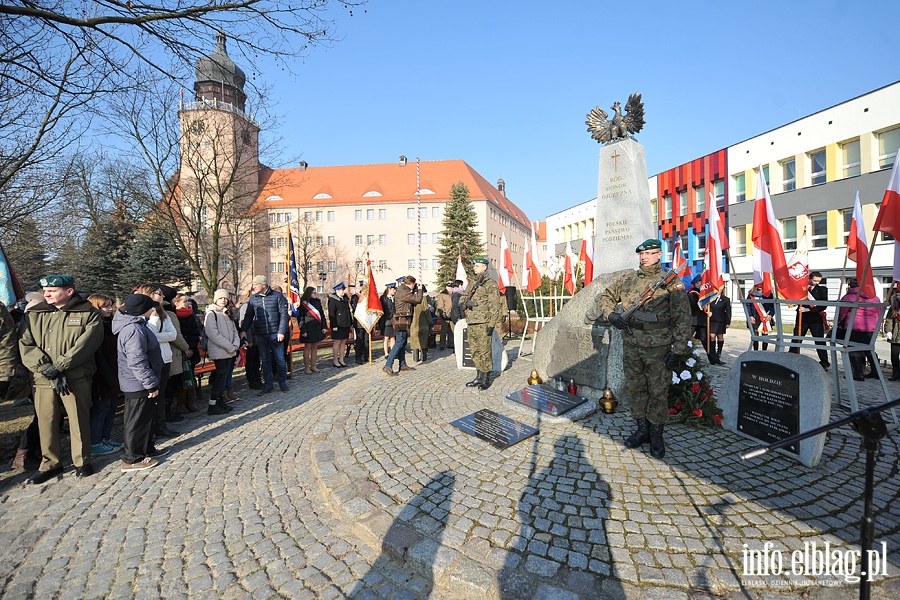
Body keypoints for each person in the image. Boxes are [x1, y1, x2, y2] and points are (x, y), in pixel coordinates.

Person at [585, 239, 691, 459]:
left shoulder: (671, 284)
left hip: (659, 347)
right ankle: (642, 429)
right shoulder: (628, 280)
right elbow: (606, 296)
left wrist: (678, 349)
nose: (644, 257)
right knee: (636, 389)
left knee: (658, 391)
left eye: (650, 253)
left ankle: (656, 434)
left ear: (659, 255)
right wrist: (611, 314)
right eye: (642, 254)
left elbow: (683, 317)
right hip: (632, 344)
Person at [18, 274, 103, 484]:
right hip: (42, 378)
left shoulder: (87, 313)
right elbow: (25, 344)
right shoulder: (33, 315)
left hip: (75, 377)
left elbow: (87, 344)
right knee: (46, 422)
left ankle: (82, 461)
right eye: (45, 291)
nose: (46, 294)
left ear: (69, 291)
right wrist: (45, 367)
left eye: (52, 291)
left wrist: (60, 366)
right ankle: (50, 463)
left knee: (78, 420)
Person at [112, 293, 165, 472]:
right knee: (137, 421)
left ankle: (146, 448)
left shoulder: (137, 325)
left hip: (141, 381)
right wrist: (150, 383)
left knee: (145, 418)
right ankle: (132, 458)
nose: (154, 309)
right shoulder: (133, 330)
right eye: (152, 307)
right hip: (137, 383)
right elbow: (136, 360)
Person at [135, 284, 180, 439]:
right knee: (154, 395)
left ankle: (161, 425)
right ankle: (152, 427)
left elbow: (172, 334)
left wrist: (156, 337)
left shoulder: (163, 313)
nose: (162, 296)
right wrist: (154, 321)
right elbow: (149, 335)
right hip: (152, 360)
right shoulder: (145, 315)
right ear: (148, 295)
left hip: (165, 357)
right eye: (159, 294)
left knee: (162, 395)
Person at [240, 275, 290, 394]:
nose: (253, 287)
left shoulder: (277, 296)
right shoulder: (253, 299)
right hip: (260, 334)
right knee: (265, 360)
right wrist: (243, 330)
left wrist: (281, 331)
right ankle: (268, 384)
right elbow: (248, 316)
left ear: (263, 285)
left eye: (255, 285)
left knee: (280, 359)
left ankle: (282, 382)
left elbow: (283, 315)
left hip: (275, 333)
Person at [86, 294, 121, 456]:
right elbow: (98, 355)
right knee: (101, 408)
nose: (110, 309)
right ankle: (95, 442)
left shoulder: (109, 324)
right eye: (105, 306)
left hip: (114, 371)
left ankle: (105, 437)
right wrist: (108, 376)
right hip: (102, 375)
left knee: (111, 407)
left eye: (110, 305)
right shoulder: (95, 326)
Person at [462, 258, 504, 390]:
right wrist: (464, 303)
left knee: (484, 351)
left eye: (477, 266)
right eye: (475, 265)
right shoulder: (473, 283)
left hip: (483, 322)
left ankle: (486, 378)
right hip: (472, 321)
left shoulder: (490, 284)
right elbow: (464, 296)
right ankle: (478, 376)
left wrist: (491, 324)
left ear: (485, 267)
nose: (475, 268)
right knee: (474, 350)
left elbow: (495, 306)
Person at [837, 279, 881, 381]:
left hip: (854, 327)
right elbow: (878, 312)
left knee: (853, 349)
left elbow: (842, 313)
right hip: (871, 327)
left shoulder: (849, 297)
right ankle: (876, 371)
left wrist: (839, 323)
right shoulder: (874, 298)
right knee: (869, 349)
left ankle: (858, 373)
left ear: (850, 287)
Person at [205, 289, 240, 414]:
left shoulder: (227, 313)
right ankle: (213, 403)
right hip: (220, 350)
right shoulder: (211, 314)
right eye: (220, 298)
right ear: (216, 299)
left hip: (229, 350)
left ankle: (220, 402)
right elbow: (213, 334)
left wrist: (236, 344)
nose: (223, 300)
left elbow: (234, 331)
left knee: (223, 376)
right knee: (219, 377)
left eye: (225, 298)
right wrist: (230, 346)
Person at [790, 271, 831, 370]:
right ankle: (791, 357)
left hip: (815, 318)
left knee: (819, 340)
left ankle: (824, 362)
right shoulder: (801, 289)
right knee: (797, 337)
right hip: (802, 318)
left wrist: (809, 309)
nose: (816, 283)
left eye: (818, 281)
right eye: (814, 280)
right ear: (809, 278)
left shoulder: (822, 289)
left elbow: (823, 305)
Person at [384, 276, 422, 376]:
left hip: (403, 319)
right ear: (412, 284)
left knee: (403, 342)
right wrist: (420, 290)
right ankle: (388, 365)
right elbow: (418, 299)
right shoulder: (404, 291)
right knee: (399, 343)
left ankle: (402, 364)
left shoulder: (402, 290)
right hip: (401, 320)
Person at [173, 294, 201, 411]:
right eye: (185, 301)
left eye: (189, 301)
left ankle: (191, 401)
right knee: (180, 378)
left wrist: (191, 347)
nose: (188, 303)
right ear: (177, 303)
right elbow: (176, 335)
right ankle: (181, 403)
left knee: (190, 375)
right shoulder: (173, 316)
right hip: (179, 351)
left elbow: (195, 333)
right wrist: (184, 348)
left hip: (191, 351)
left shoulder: (191, 315)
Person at [237, 288, 263, 390]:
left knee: (257, 360)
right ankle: (252, 381)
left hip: (258, 336)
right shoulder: (246, 305)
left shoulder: (258, 304)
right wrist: (249, 339)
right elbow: (244, 323)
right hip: (250, 337)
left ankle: (258, 379)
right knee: (251, 361)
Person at [296, 287, 326, 373]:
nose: (315, 294)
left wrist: (324, 326)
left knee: (315, 347)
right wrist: (303, 330)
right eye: (313, 293)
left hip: (317, 328)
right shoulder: (303, 304)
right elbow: (300, 318)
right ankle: (306, 367)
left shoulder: (317, 302)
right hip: (308, 328)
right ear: (309, 293)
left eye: (315, 292)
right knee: (307, 347)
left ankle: (313, 365)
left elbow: (322, 315)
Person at [327, 283, 352, 368]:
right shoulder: (333, 299)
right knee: (337, 342)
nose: (343, 292)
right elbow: (332, 313)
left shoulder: (344, 299)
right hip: (337, 324)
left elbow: (348, 312)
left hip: (345, 323)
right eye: (341, 290)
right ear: (337, 290)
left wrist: (350, 323)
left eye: (343, 290)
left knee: (344, 342)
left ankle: (341, 359)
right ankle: (335, 360)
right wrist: (333, 325)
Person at [745, 284, 775, 351]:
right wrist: (750, 316)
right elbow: (747, 305)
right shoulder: (751, 295)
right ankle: (756, 351)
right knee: (755, 336)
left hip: (765, 317)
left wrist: (770, 315)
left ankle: (764, 352)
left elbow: (773, 306)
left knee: (765, 336)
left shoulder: (769, 294)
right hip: (755, 316)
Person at [708, 289, 732, 365]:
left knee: (720, 336)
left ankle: (719, 352)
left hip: (721, 320)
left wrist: (728, 322)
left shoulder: (725, 299)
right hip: (712, 320)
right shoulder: (710, 298)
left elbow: (728, 311)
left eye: (719, 290)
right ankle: (713, 352)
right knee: (712, 336)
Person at [409, 284, 432, 363]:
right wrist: (430, 321)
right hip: (423, 322)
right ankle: (424, 357)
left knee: (414, 340)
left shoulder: (410, 298)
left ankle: (415, 357)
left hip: (413, 323)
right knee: (423, 339)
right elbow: (426, 311)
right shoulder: (423, 299)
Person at [687, 275, 709, 355]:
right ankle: (684, 355)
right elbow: (694, 306)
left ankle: (714, 359)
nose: (702, 284)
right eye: (701, 282)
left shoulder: (702, 293)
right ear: (696, 283)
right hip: (693, 320)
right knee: (687, 338)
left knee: (706, 340)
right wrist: (704, 305)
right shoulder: (692, 293)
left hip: (701, 320)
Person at [349, 282, 370, 364]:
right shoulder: (355, 297)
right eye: (363, 286)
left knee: (366, 340)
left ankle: (366, 356)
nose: (364, 288)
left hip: (367, 321)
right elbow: (355, 307)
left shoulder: (368, 297)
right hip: (359, 321)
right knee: (359, 340)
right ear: (360, 287)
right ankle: (358, 357)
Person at [885, 288, 900, 381]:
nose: (898, 297)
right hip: (895, 334)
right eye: (897, 295)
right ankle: (896, 373)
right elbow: (889, 319)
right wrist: (889, 331)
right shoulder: (894, 306)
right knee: (894, 356)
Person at [379, 283, 397, 358]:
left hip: (393, 320)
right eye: (393, 289)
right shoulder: (383, 298)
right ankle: (386, 353)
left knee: (393, 336)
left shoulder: (393, 298)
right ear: (389, 289)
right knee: (386, 337)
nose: (395, 291)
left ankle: (393, 352)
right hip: (386, 320)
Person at [436, 282, 454, 350]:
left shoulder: (453, 294)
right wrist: (443, 313)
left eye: (451, 287)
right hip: (445, 314)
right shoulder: (443, 294)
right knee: (444, 330)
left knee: (452, 330)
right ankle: (442, 344)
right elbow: (440, 305)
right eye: (449, 286)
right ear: (446, 287)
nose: (450, 288)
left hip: (452, 314)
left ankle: (451, 343)